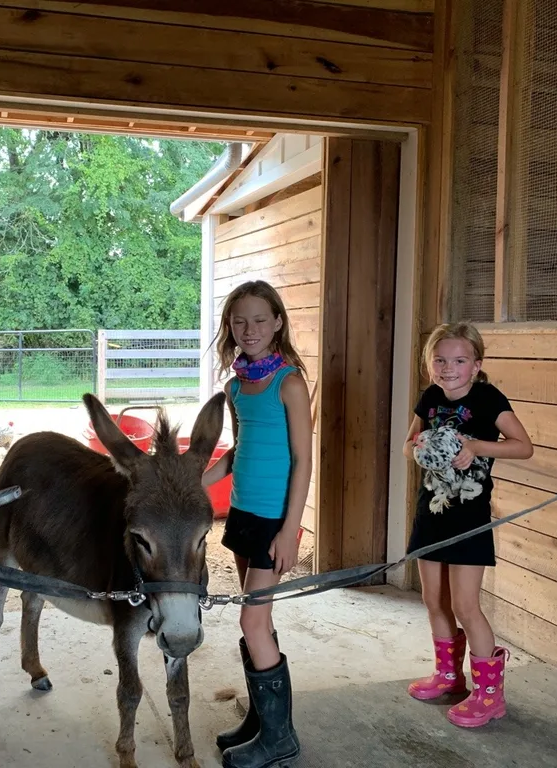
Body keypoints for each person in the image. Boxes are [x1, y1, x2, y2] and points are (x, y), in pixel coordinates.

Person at [203, 280, 312, 768]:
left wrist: (290, 530)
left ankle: (280, 738)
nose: (249, 330)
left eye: (260, 320)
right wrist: (195, 483)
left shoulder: (288, 383)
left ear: (278, 323)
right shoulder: (235, 386)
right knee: (259, 622)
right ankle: (262, 722)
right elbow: (237, 450)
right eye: (239, 321)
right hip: (244, 513)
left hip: (273, 520)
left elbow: (303, 461)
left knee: (251, 619)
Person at [403, 322, 533, 728]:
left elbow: (523, 446)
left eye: (459, 360)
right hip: (431, 513)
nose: (448, 368)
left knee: (464, 605)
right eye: (440, 360)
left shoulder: (488, 398)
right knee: (434, 600)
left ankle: (489, 695)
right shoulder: (429, 398)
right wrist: (420, 448)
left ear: (476, 365)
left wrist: (475, 446)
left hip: (469, 519)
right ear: (429, 365)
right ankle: (448, 677)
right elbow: (409, 443)